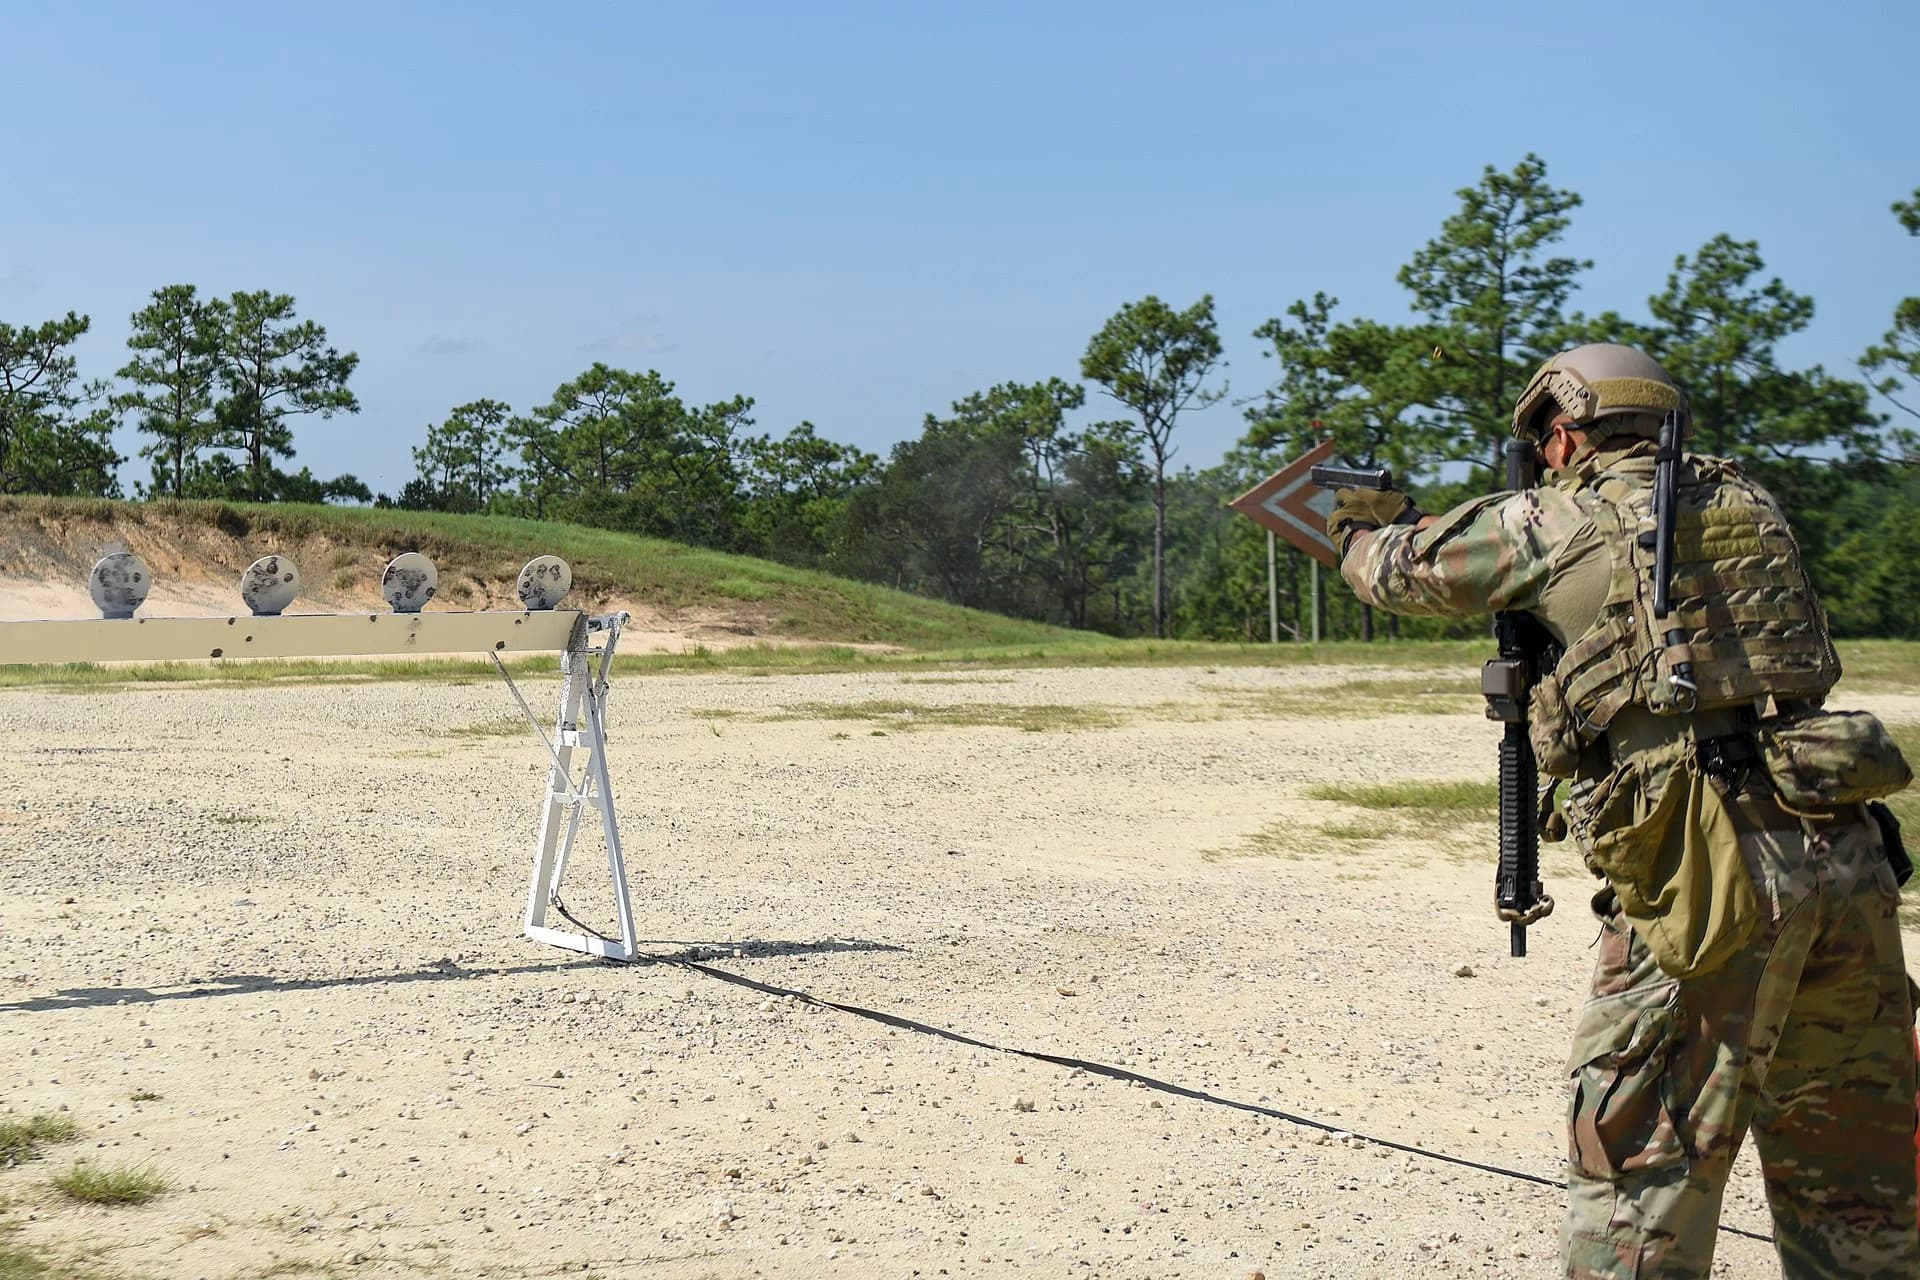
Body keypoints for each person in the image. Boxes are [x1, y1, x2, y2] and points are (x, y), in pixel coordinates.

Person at [1327, 343, 1920, 1279]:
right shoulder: (1749, 506)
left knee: (1639, 1174)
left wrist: (1361, 529)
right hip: (1843, 854)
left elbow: (1405, 574)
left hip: (1707, 873)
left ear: (1566, 433)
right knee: (1856, 1187)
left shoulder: (1564, 518)